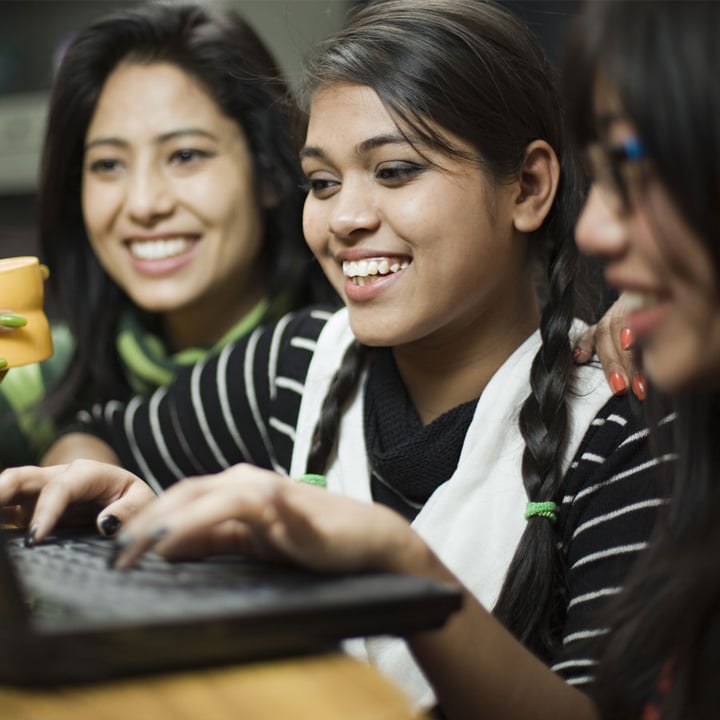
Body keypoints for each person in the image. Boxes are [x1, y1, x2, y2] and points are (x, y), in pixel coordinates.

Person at [0, 0, 668, 716]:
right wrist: (103, 484)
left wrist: (396, 567)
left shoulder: (624, 428)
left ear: (529, 187)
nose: (345, 218)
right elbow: (103, 432)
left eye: (394, 171)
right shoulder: (293, 365)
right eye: (322, 183)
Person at [0, 1, 336, 468]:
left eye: (185, 156)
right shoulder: (34, 382)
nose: (143, 205)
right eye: (108, 164)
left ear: (270, 175)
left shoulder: (353, 355)